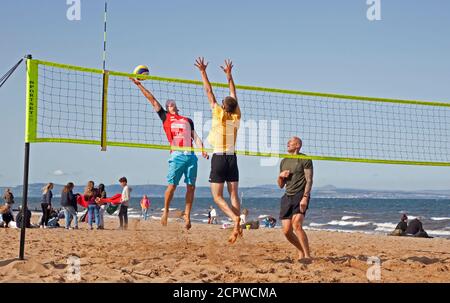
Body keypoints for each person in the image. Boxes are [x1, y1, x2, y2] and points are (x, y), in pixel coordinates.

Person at [130, 77, 208, 230]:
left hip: (191, 155)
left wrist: (202, 149)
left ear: (176, 107)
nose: (170, 104)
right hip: (177, 155)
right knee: (172, 186)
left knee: (191, 187)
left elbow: (195, 136)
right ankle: (165, 210)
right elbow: (152, 100)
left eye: (172, 103)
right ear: (166, 108)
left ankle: (187, 215)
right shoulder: (165, 117)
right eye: (167, 105)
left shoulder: (187, 120)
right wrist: (139, 85)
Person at [195, 57, 242, 244]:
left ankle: (234, 219)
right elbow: (233, 93)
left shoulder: (219, 113)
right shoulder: (236, 115)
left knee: (216, 196)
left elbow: (208, 90)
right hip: (232, 158)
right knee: (233, 195)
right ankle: (238, 225)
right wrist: (229, 76)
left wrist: (202, 71)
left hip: (219, 158)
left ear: (224, 106)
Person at [277, 137, 313, 261]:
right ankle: (300, 250)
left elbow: (309, 180)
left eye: (290, 142)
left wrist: (305, 197)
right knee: (286, 231)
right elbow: (281, 185)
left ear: (297, 145)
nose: (287, 143)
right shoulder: (284, 161)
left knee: (297, 225)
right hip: (287, 196)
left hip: (300, 195)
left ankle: (307, 256)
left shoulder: (305, 159)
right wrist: (280, 176)